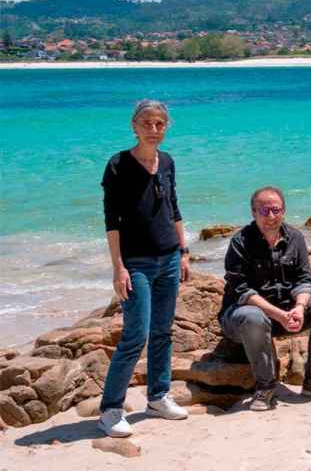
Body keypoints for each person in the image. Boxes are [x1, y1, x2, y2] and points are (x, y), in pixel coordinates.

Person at [97, 99, 190, 438]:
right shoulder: (118, 164)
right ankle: (110, 410)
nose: (154, 129)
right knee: (136, 336)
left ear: (166, 127)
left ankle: (158, 396)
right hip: (135, 263)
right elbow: (112, 221)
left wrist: (183, 251)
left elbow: (174, 209)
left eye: (160, 124)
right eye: (147, 123)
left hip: (168, 259)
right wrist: (118, 267)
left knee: (163, 332)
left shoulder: (167, 161)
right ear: (134, 126)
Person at [217, 186, 311, 411]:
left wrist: (300, 308)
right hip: (241, 319)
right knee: (253, 317)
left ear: (284, 211)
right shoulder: (240, 242)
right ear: (253, 212)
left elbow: (305, 280)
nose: (271, 216)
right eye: (264, 211)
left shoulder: (295, 238)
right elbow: (242, 292)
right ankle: (265, 387)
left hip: (285, 312)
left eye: (276, 210)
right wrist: (280, 315)